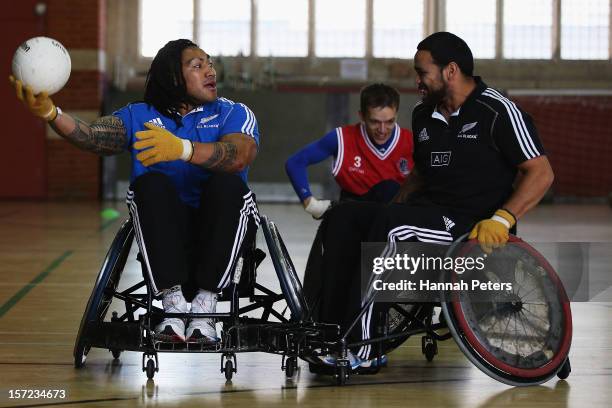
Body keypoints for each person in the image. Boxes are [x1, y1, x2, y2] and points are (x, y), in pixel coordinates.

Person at [317, 32, 554, 366]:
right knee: (342, 216)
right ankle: (329, 334)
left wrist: (503, 219)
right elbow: (421, 173)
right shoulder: (423, 114)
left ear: (450, 71)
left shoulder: (497, 112)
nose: (417, 81)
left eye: (422, 72)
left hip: (470, 228)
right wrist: (394, 205)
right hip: (428, 214)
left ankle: (361, 349)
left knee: (390, 227)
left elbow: (541, 173)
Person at [9, 39, 260, 344]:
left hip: (221, 229)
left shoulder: (233, 112)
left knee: (228, 182)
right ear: (173, 77)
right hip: (166, 234)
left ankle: (205, 308)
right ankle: (174, 306)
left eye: (209, 63)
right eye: (197, 65)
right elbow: (93, 136)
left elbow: (239, 155)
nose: (210, 71)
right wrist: (52, 113)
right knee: (148, 184)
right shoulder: (139, 115)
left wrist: (182, 149)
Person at [285, 83, 414, 219]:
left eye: (389, 122)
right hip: (354, 220)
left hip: (395, 220)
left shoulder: (412, 142)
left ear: (396, 116)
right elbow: (295, 162)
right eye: (375, 122)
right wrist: (310, 203)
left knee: (390, 189)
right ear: (362, 116)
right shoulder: (341, 139)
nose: (382, 130)